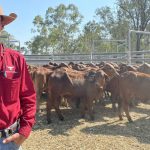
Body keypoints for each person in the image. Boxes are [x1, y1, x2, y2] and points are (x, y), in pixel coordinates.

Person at [0, 6, 36, 150]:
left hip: (7, 141)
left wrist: (24, 132)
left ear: (2, 25)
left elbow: (29, 98)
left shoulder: (16, 60)